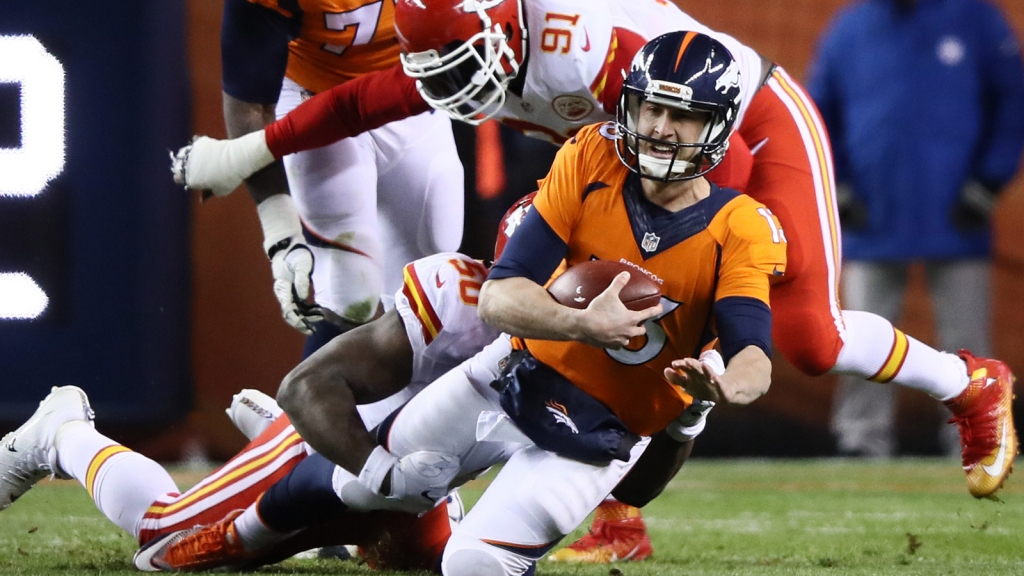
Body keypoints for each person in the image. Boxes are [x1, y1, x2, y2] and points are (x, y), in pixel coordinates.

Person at [171, 0, 1017, 560]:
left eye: (468, 69)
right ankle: (592, 490)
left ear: (508, 34)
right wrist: (252, 153)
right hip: (629, 157)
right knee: (546, 285)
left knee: (802, 336)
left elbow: (681, 159)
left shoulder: (585, 51)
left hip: (739, 132)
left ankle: (969, 382)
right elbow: (368, 101)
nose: (459, 94)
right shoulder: (467, 37)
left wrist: (713, 281)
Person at [148, 32, 782, 576]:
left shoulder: (741, 225)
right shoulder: (589, 156)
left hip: (599, 435)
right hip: (510, 372)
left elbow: (754, 348)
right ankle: (237, 535)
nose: (660, 130)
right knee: (359, 486)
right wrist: (581, 324)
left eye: (685, 117)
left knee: (469, 562)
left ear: (719, 124)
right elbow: (502, 296)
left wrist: (718, 389)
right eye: (649, 109)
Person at [0, 235, 519, 571]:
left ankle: (283, 461)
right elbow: (305, 387)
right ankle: (61, 431)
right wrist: (381, 473)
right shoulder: (459, 303)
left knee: (431, 562)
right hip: (347, 455)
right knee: (168, 531)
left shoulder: (580, 331)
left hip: (425, 480)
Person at [805, 0, 1024, 458]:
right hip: (871, 215)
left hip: (956, 215)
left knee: (967, 338)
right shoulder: (850, 28)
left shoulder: (976, 19)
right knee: (859, 335)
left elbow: (1013, 102)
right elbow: (817, 112)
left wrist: (987, 183)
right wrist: (839, 188)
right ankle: (861, 440)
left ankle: (977, 438)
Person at [209, 0, 465, 380]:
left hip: (410, 91)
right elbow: (249, 108)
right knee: (349, 292)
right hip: (317, 103)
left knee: (432, 276)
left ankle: (419, 426)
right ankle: (304, 429)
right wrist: (279, 228)